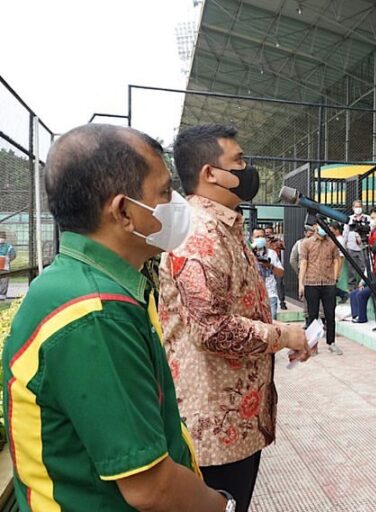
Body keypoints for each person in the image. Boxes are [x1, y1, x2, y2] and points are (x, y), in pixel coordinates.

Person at [1, 124, 231, 511]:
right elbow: (151, 488)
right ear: (124, 211)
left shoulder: (81, 283)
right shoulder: (94, 316)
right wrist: (223, 506)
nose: (176, 204)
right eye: (164, 193)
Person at [160, 124, 308, 512]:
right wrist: (284, 335)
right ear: (210, 173)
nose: (248, 169)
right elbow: (213, 329)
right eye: (238, 161)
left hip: (234, 422)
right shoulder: (199, 233)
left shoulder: (225, 226)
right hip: (211, 432)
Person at [299, 222, 343, 354]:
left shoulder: (332, 242)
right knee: (312, 315)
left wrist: (335, 278)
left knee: (330, 314)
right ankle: (313, 344)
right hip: (311, 283)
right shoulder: (306, 243)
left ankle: (331, 342)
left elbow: (336, 260)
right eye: (320, 226)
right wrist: (301, 283)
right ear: (315, 227)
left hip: (329, 283)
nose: (324, 229)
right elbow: (303, 262)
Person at [251, 228, 284, 319]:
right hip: (253, 295)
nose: (260, 239)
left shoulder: (271, 253)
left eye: (262, 236)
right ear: (252, 238)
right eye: (257, 237)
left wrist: (270, 266)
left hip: (270, 294)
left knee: (272, 321)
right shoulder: (247, 253)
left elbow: (281, 273)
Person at [343, 199, 371, 289]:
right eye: (356, 207)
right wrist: (344, 247)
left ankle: (364, 285)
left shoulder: (367, 218)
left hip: (363, 247)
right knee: (351, 269)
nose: (358, 208)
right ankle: (351, 287)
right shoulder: (349, 219)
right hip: (351, 247)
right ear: (353, 208)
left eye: (359, 207)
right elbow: (345, 233)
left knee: (365, 267)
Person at [264, 226, 287, 310]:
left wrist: (274, 240)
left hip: (276, 265)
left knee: (279, 283)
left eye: (269, 232)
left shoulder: (277, 241)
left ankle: (282, 301)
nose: (267, 234)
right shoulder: (263, 243)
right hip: (266, 268)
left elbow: (283, 247)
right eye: (266, 232)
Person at [329, 222, 349, 303]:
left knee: (331, 284)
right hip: (333, 262)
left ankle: (343, 294)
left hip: (336, 262)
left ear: (336, 230)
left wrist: (337, 270)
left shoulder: (340, 240)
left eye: (332, 230)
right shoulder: (335, 239)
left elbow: (340, 256)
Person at [0, 232, 17, 300]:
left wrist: (8, 259)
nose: (1, 239)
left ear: (5, 239)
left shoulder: (9, 247)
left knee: (4, 282)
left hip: (5, 267)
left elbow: (13, 255)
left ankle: (2, 296)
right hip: (4, 266)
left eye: (3, 238)